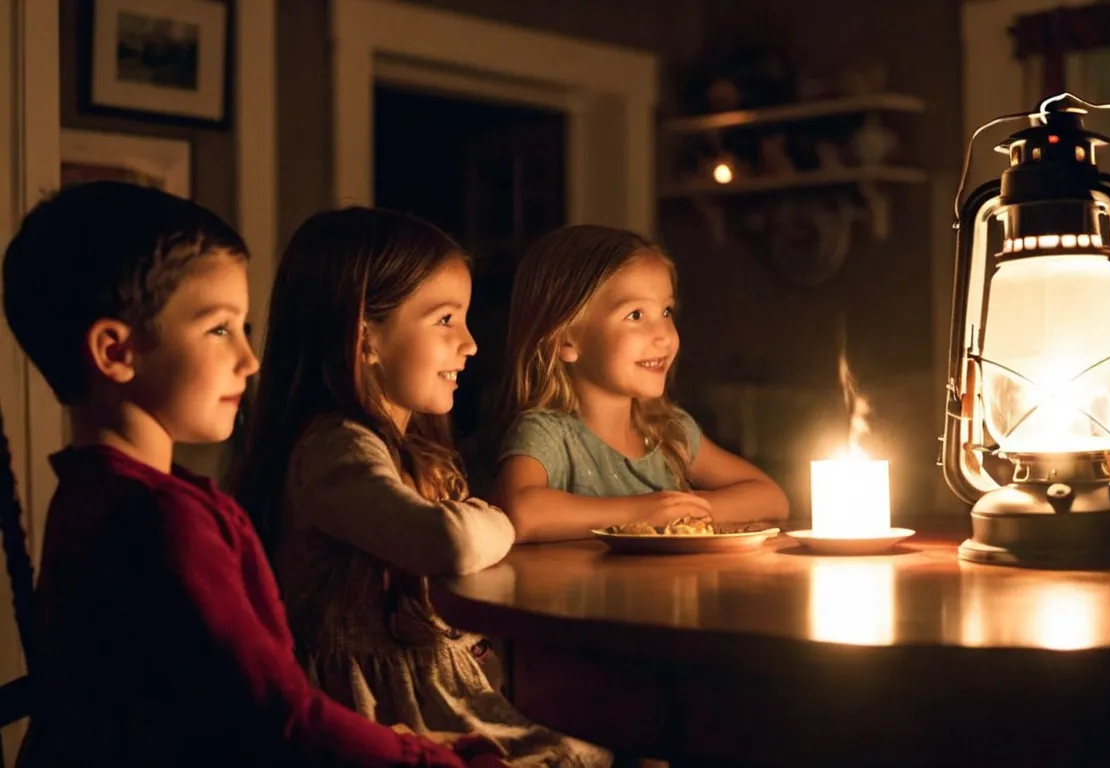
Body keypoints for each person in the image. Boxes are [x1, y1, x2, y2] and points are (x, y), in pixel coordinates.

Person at [0, 182, 504, 767]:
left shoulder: (98, 495)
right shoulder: (161, 519)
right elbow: (273, 715)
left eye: (245, 327)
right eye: (219, 329)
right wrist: (426, 760)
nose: (250, 358)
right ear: (116, 352)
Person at [236, 208, 610, 767]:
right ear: (364, 338)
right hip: (374, 713)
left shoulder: (399, 446)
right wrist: (501, 517)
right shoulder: (335, 447)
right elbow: (447, 542)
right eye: (444, 320)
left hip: (427, 686)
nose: (470, 344)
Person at [491, 224, 789, 543]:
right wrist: (641, 513)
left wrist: (682, 512)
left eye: (666, 311)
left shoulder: (669, 432)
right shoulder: (547, 433)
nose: (663, 334)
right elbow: (519, 512)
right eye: (635, 315)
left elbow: (772, 498)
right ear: (566, 339)